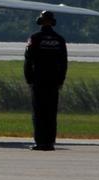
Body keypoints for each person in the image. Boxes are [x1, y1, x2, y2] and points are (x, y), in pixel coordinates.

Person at [24, 11, 68, 150]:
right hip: (53, 80)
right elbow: (64, 62)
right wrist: (61, 80)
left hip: (39, 79)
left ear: (40, 21)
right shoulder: (59, 39)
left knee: (39, 112)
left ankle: (40, 142)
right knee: (51, 112)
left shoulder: (35, 38)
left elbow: (28, 60)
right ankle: (50, 142)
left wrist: (29, 79)